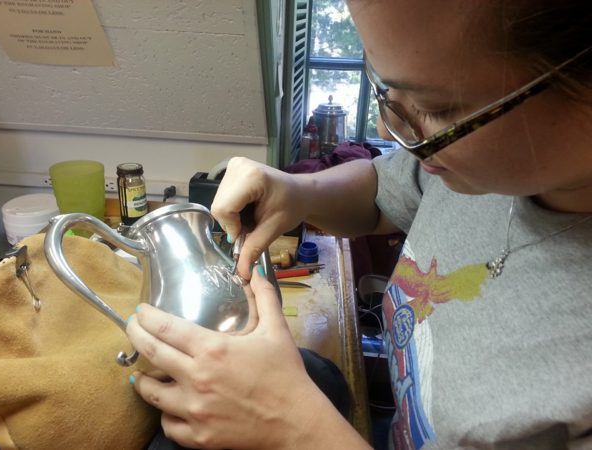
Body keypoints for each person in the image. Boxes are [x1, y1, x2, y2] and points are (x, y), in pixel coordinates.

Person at [125, 0, 592, 448]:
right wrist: (300, 192)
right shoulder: (470, 175)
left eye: (439, 109)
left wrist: (297, 427)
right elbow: (380, 190)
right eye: (387, 91)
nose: (390, 132)